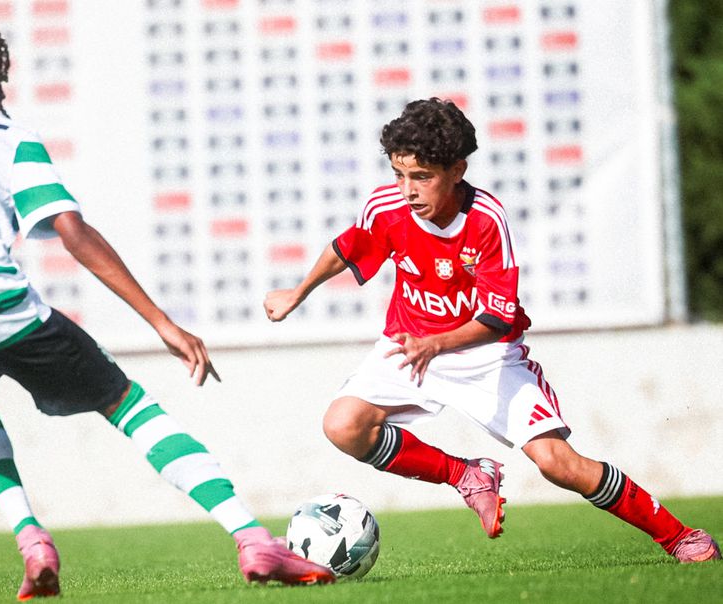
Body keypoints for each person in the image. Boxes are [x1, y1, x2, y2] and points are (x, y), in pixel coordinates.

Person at [0, 12, 334, 601]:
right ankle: (252, 537)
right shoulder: (2, 132)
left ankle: (30, 536)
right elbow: (71, 231)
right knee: (125, 401)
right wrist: (163, 322)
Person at [263, 97, 720, 564]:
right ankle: (466, 476)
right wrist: (298, 292)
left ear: (457, 170)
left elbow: (498, 318)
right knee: (344, 425)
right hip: (410, 345)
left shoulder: (486, 221)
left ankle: (680, 537)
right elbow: (347, 247)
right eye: (400, 175)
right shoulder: (386, 207)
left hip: (488, 358)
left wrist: (436, 343)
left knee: (557, 465)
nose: (407, 190)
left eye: (422, 177)